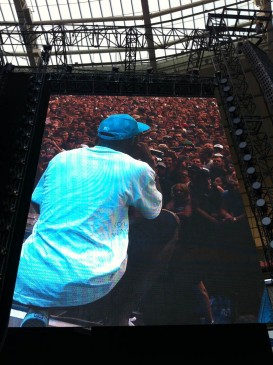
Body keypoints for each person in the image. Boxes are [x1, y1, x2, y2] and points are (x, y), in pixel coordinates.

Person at [12, 114, 180, 327]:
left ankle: (38, 311)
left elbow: (38, 201)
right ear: (134, 142)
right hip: (93, 276)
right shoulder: (137, 168)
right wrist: (149, 161)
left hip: (31, 268)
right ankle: (122, 313)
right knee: (169, 221)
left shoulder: (62, 158)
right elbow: (153, 212)